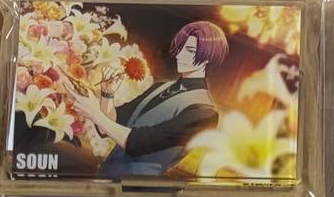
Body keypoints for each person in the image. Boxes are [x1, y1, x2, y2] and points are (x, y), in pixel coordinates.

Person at [67, 21, 228, 177]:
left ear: (207, 58)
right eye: (180, 48)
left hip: (139, 186)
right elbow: (112, 124)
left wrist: (94, 113)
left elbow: (136, 143)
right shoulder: (161, 87)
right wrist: (107, 93)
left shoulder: (205, 112)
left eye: (190, 51)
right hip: (106, 175)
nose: (180, 55)